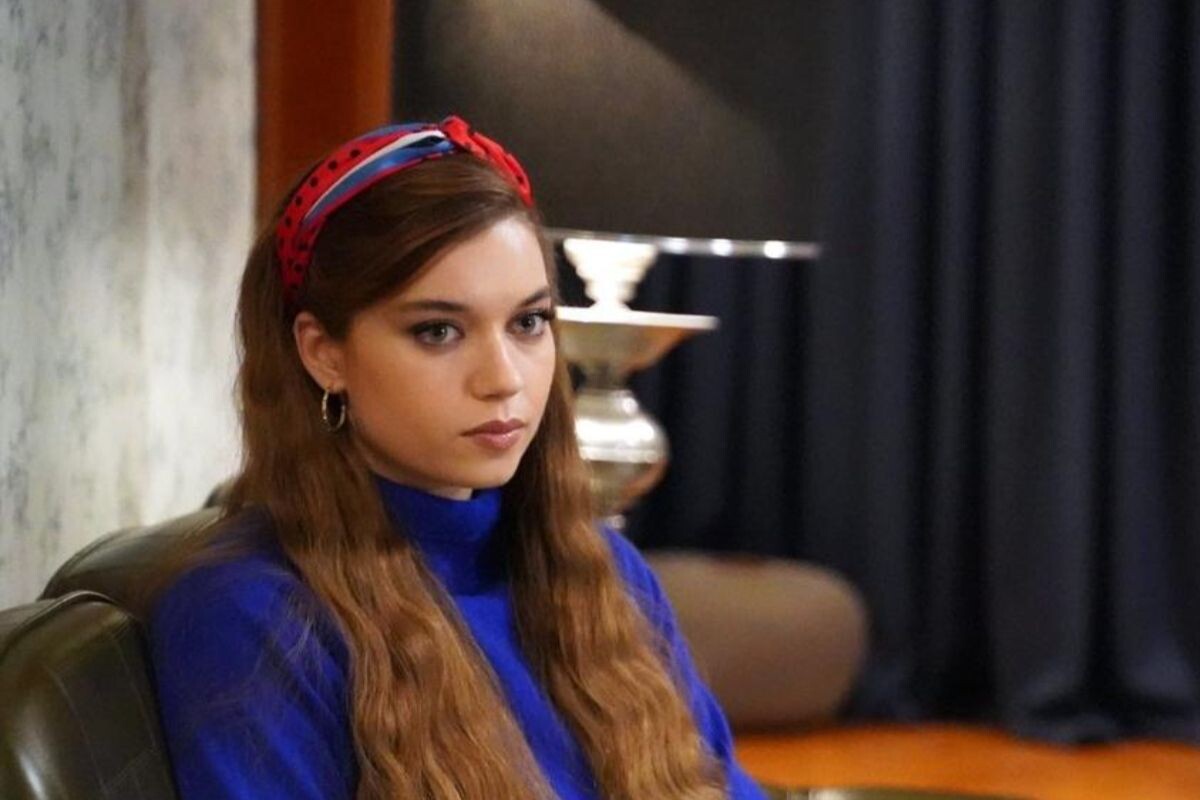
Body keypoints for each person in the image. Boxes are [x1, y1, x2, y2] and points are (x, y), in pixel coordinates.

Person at [149, 116, 768, 799]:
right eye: (439, 331)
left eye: (528, 322)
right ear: (324, 354)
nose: (503, 378)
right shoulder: (254, 618)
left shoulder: (605, 571)